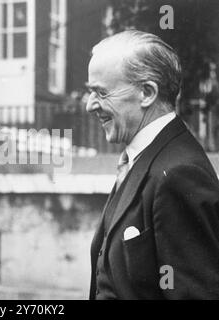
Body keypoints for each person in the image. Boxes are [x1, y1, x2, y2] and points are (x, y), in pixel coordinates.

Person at [86, 30, 219, 299]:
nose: (90, 105)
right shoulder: (145, 157)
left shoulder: (179, 174)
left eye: (101, 92)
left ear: (147, 92)